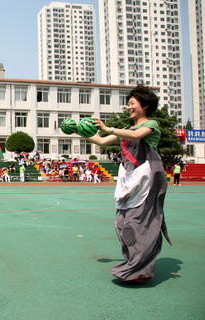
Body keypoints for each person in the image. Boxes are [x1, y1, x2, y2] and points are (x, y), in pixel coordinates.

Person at [78, 84, 171, 283]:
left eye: (132, 103)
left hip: (145, 180)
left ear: (145, 105)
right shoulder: (126, 129)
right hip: (129, 179)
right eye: (128, 104)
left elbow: (137, 136)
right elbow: (102, 142)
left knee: (138, 223)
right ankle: (133, 263)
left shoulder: (151, 125)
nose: (128, 107)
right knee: (122, 223)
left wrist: (109, 128)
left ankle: (142, 270)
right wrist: (79, 130)